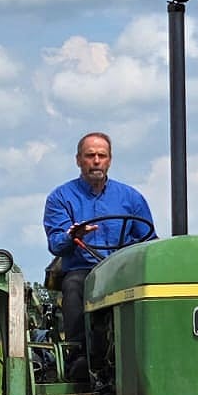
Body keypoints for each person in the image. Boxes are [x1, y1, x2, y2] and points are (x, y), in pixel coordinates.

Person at [43, 132, 155, 380]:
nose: (96, 160)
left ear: (109, 160)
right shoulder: (61, 198)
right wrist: (73, 236)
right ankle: (79, 355)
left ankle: (152, 349)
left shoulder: (131, 198)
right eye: (90, 155)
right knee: (73, 285)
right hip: (85, 269)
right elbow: (55, 243)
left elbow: (149, 241)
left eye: (101, 155)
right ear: (79, 160)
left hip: (124, 270)